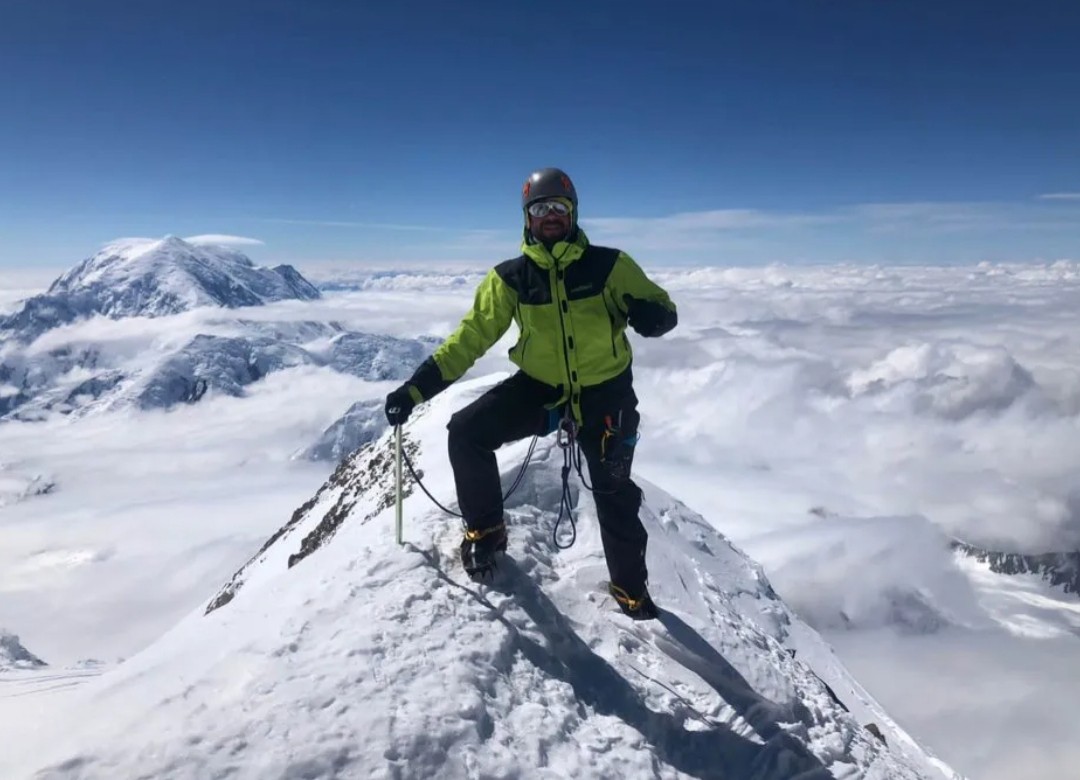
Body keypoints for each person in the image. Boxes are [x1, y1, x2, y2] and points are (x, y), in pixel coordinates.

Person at [384, 167, 677, 620]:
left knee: (614, 494)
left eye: (558, 207)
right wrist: (416, 388)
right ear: (527, 219)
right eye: (540, 209)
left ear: (573, 212)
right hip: (541, 389)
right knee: (467, 432)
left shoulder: (610, 266)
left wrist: (652, 315)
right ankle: (486, 532)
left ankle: (631, 592)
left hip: (606, 396)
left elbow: (662, 307)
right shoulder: (510, 279)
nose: (550, 216)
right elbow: (470, 338)